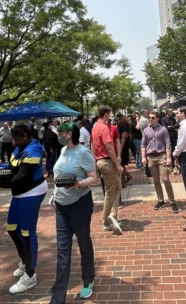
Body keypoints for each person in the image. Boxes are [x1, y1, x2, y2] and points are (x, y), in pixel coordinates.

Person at [49, 122, 98, 303]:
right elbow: (58, 176)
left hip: (80, 205)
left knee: (84, 243)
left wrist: (79, 184)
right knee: (63, 251)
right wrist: (54, 196)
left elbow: (93, 177)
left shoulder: (83, 153)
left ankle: (88, 279)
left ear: (69, 134)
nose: (58, 136)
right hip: (61, 206)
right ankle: (58, 297)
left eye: (60, 133)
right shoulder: (63, 151)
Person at [5, 124, 48, 294]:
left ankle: (30, 275)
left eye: (16, 139)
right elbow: (12, 168)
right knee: (12, 228)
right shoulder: (20, 148)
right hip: (19, 194)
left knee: (27, 233)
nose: (14, 143)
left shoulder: (33, 151)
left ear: (25, 136)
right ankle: (25, 261)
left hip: (31, 191)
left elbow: (21, 177)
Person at [91, 105, 123, 235]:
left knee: (118, 188)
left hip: (101, 161)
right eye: (109, 114)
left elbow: (93, 145)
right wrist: (118, 164)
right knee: (110, 193)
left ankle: (112, 216)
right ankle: (106, 221)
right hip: (107, 162)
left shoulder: (95, 127)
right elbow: (110, 148)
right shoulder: (104, 128)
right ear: (105, 114)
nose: (110, 116)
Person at [141, 111, 178, 213]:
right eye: (149, 118)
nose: (150, 119)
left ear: (157, 119)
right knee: (156, 180)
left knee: (165, 179)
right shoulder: (146, 130)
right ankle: (160, 200)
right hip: (151, 158)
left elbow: (168, 144)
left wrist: (169, 157)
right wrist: (143, 157)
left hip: (161, 156)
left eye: (153, 118)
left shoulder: (163, 129)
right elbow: (143, 145)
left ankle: (172, 201)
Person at [161, 110, 179, 174]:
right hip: (167, 137)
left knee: (174, 150)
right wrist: (172, 127)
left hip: (173, 136)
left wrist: (171, 127)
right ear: (167, 112)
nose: (172, 113)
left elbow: (177, 125)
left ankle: (175, 165)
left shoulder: (173, 119)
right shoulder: (163, 119)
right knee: (168, 151)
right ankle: (169, 165)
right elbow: (165, 128)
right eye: (170, 112)